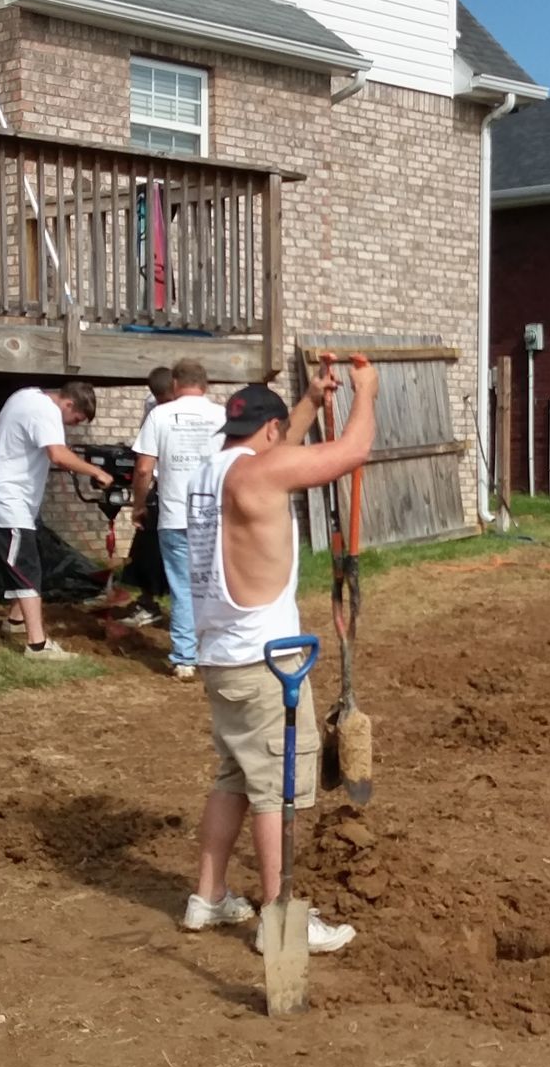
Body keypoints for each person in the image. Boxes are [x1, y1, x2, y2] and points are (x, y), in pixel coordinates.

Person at [183, 358, 377, 953]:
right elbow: (351, 452)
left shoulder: (212, 472)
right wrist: (364, 394)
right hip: (265, 663)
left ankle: (208, 898)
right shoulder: (261, 475)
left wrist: (311, 403)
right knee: (278, 788)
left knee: (235, 776)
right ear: (268, 436)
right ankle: (280, 917)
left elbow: (277, 451)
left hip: (221, 655)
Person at [0, 380, 112, 659]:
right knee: (27, 568)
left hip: (15, 501)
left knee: (31, 561)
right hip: (8, 501)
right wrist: (96, 473)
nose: (72, 425)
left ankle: (14, 622)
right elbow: (58, 455)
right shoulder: (44, 410)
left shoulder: (26, 395)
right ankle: (37, 645)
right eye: (75, 419)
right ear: (68, 403)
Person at [127, 355, 227, 677]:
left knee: (183, 587)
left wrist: (138, 505)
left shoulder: (160, 415)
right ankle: (218, 650)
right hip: (214, 514)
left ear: (174, 384)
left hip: (174, 515)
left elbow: (143, 469)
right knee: (214, 584)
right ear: (205, 384)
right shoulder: (222, 416)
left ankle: (185, 658)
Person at [117, 365, 176, 628]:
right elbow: (145, 458)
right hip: (161, 484)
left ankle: (191, 614)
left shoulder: (194, 407)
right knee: (147, 546)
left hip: (185, 488)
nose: (164, 405)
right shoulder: (152, 406)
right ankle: (148, 602)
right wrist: (140, 501)